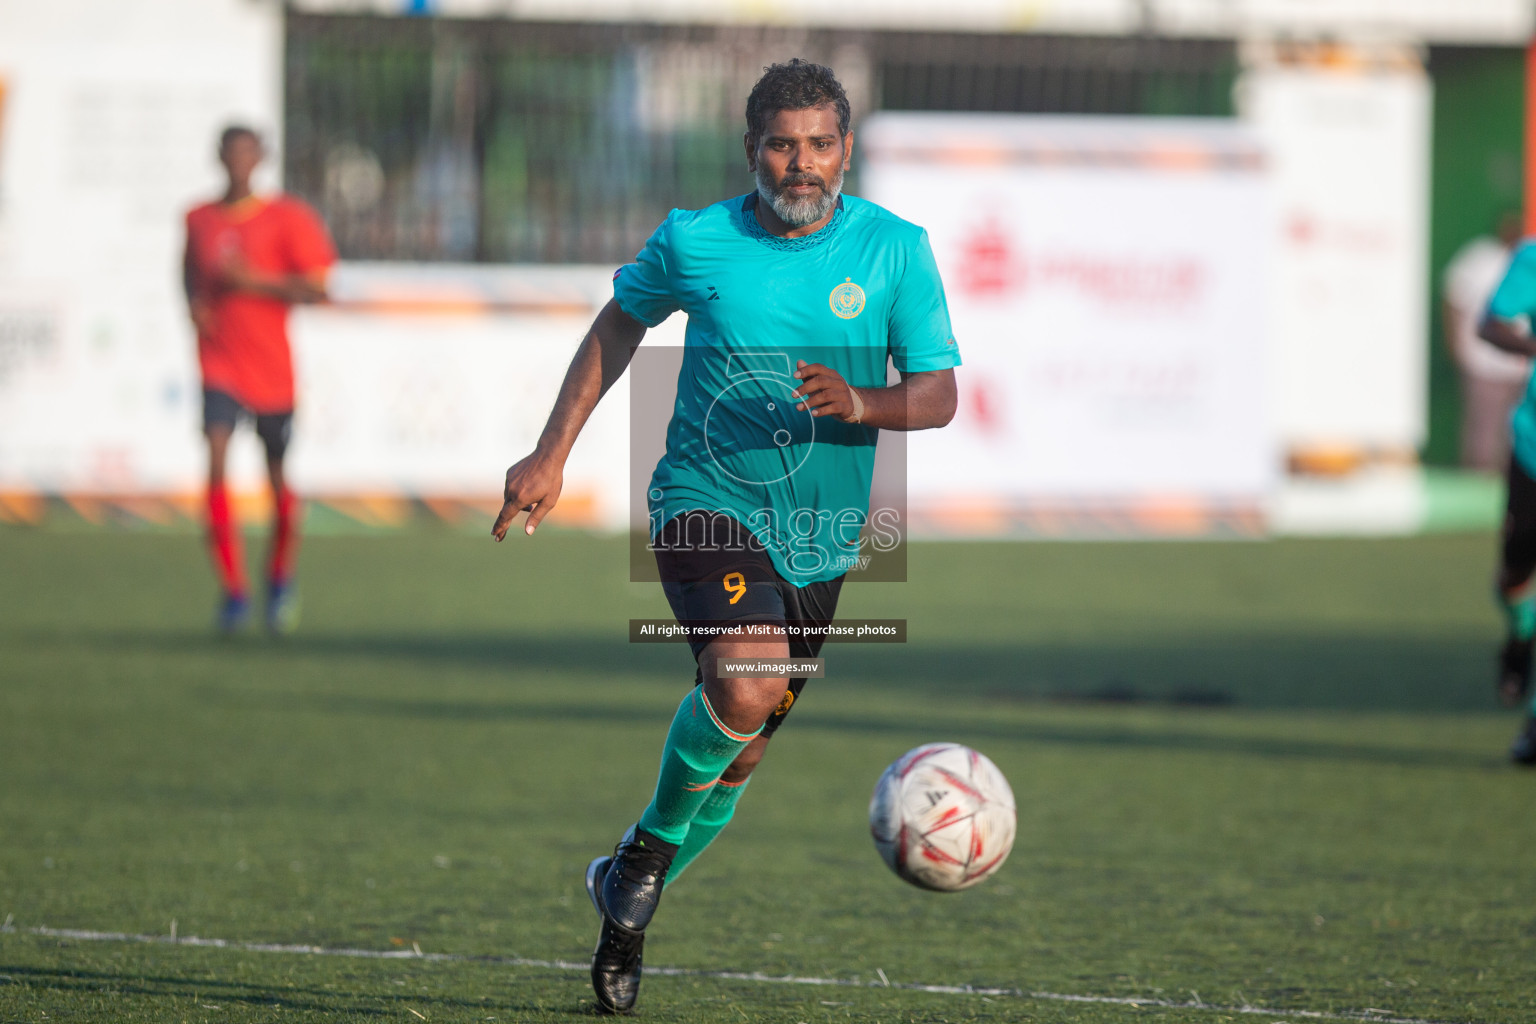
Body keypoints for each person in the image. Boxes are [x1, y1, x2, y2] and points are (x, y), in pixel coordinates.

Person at [490, 60, 961, 1014]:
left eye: (820, 145)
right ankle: (647, 860)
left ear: (847, 152)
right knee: (745, 679)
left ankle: (628, 889)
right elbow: (616, 329)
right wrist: (551, 453)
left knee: (740, 753)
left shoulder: (897, 250)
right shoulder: (693, 241)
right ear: (751, 151)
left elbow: (941, 392)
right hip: (703, 502)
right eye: (782, 145)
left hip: (823, 536)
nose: (802, 165)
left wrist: (865, 400)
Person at [184, 126, 336, 634]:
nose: (239, 165)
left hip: (271, 369)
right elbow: (186, 271)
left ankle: (278, 579)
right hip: (220, 363)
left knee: (277, 479)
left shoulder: (287, 218)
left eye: (248, 156)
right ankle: (232, 592)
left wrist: (253, 281)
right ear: (219, 159)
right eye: (231, 156)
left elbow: (317, 288)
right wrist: (195, 305)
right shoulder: (199, 219)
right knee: (217, 460)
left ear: (261, 160)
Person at [1443, 212, 1526, 471]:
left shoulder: (1526, 264)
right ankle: (1477, 488)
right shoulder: (1481, 259)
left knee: (1516, 436)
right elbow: (1455, 300)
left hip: (1519, 367)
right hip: (1484, 363)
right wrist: (1457, 344)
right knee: (1484, 434)